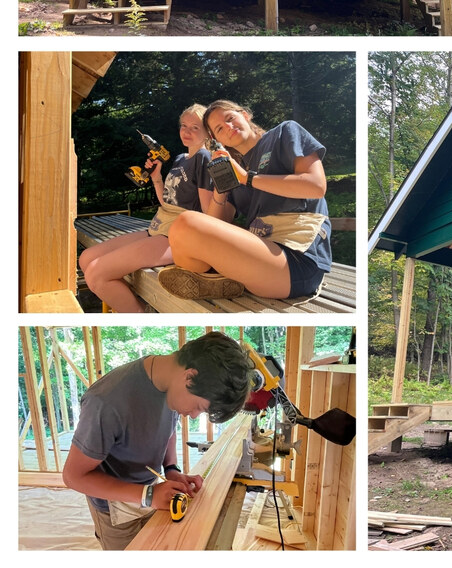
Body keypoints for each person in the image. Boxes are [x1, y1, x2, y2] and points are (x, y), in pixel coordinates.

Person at [61, 331, 254, 550]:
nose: (192, 416)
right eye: (199, 408)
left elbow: (167, 427)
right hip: (115, 507)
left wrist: (171, 468)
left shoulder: (169, 384)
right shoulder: (106, 402)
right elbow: (73, 476)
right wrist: (147, 495)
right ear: (189, 376)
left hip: (149, 492)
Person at [162, 100, 332, 300]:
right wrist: (221, 187)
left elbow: (316, 187)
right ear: (217, 140)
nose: (228, 127)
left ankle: (213, 277)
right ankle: (215, 279)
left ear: (244, 115)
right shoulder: (235, 166)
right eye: (219, 129)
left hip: (295, 261)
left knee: (186, 222)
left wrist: (247, 178)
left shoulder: (284, 133)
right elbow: (217, 223)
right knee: (181, 231)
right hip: (256, 256)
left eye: (230, 118)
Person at [78, 105, 218, 313]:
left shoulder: (204, 158)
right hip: (158, 227)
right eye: (183, 126)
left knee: (97, 273)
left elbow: (208, 213)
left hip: (176, 237)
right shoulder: (181, 159)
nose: (186, 132)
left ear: (208, 132)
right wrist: (156, 178)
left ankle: (141, 314)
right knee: (86, 258)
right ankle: (136, 303)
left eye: (195, 127)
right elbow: (167, 202)